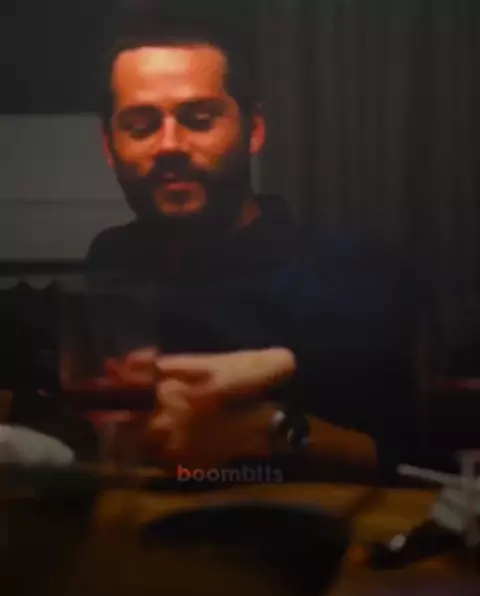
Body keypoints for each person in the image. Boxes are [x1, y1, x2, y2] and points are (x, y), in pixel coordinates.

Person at [1, 4, 421, 480]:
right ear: (109, 146)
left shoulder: (349, 268)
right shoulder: (114, 257)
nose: (169, 145)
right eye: (141, 127)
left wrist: (266, 418)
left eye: (200, 120)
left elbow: (407, 456)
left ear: (253, 130)